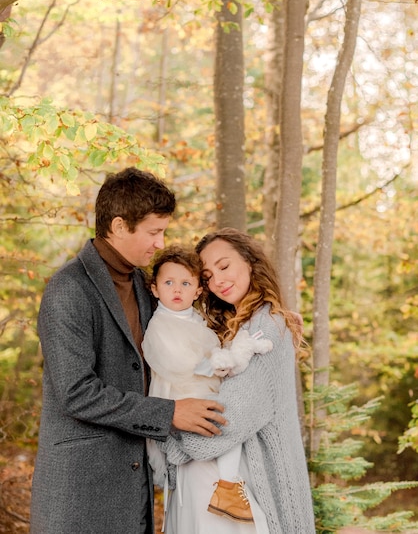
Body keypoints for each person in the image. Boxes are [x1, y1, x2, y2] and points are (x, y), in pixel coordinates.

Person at [29, 168, 226, 534]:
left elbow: (187, 320)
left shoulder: (141, 282)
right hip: (79, 493)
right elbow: (76, 393)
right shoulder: (67, 289)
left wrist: (267, 313)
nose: (159, 242)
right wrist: (168, 414)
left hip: (133, 491)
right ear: (119, 226)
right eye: (153, 232)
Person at [161, 227, 316, 534]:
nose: (217, 280)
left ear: (249, 262)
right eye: (207, 276)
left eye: (224, 266)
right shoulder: (239, 326)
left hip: (252, 494)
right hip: (229, 490)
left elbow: (227, 418)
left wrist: (173, 444)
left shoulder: (267, 327)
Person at [142, 245, 273, 524]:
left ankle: (228, 485)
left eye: (186, 283)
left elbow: (214, 347)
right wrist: (221, 364)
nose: (177, 290)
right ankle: (226, 488)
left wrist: (223, 360)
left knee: (228, 434)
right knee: (214, 443)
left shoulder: (198, 319)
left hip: (207, 394)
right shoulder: (160, 326)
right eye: (169, 283)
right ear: (154, 289)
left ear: (198, 291)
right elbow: (181, 366)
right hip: (187, 400)